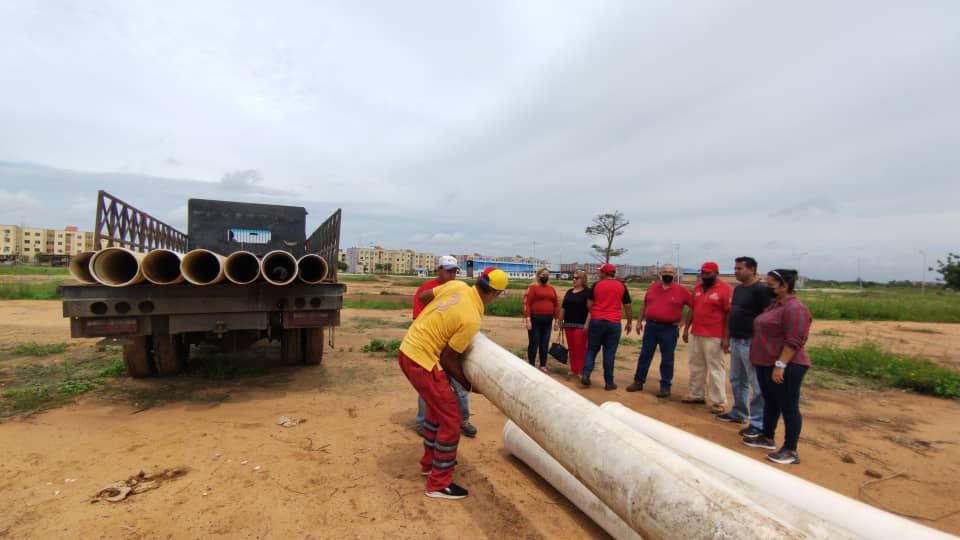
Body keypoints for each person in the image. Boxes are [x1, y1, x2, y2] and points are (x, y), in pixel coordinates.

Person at [399, 267, 509, 499]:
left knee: (436, 412)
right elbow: (448, 358)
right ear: (495, 294)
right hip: (422, 360)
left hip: (409, 348)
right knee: (452, 419)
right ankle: (438, 484)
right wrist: (470, 385)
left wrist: (439, 316)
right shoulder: (471, 319)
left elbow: (423, 297)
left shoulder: (457, 286)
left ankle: (429, 463)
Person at [742, 269, 812, 465]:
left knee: (788, 405)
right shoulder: (775, 306)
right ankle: (767, 437)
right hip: (766, 363)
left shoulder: (795, 309)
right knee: (771, 402)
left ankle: (790, 449)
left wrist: (781, 364)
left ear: (784, 286)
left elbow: (794, 340)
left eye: (770, 284)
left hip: (787, 365)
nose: (766, 287)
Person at [413, 255, 477, 438]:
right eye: (448, 271)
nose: (452, 275)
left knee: (460, 387)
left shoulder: (458, 290)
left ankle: (463, 420)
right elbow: (419, 321)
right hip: (430, 349)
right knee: (428, 388)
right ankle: (422, 423)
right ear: (438, 270)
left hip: (453, 348)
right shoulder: (426, 290)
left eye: (455, 271)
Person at [717, 257, 771, 440]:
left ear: (752, 269)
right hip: (737, 340)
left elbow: (768, 317)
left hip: (752, 342)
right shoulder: (739, 289)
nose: (736, 271)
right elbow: (732, 313)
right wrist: (727, 336)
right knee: (737, 379)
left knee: (756, 384)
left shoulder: (761, 290)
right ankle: (739, 412)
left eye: (739, 268)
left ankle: (758, 423)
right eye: (735, 268)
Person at [627, 264, 691, 398]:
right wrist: (639, 321)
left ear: (675, 274)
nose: (668, 273)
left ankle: (665, 386)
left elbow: (693, 306)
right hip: (651, 327)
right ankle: (638, 381)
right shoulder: (653, 287)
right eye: (665, 271)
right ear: (660, 273)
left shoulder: (682, 290)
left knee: (667, 359)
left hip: (669, 329)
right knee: (645, 355)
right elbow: (645, 304)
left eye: (670, 271)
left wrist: (683, 322)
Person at [682, 261, 732, 414]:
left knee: (716, 368)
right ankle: (696, 395)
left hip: (715, 335)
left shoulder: (725, 289)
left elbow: (729, 314)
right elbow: (692, 308)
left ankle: (719, 401)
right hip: (697, 332)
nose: (704, 275)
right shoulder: (697, 288)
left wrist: (726, 337)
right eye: (703, 272)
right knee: (696, 365)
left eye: (708, 273)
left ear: (716, 273)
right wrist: (686, 328)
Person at [581, 263, 633, 390]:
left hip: (597, 320)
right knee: (609, 353)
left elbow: (589, 303)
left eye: (600, 272)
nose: (599, 273)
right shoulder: (621, 286)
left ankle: (586, 375)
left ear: (604, 273)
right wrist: (629, 321)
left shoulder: (596, 285)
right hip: (613, 322)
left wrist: (595, 313)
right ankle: (609, 383)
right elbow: (627, 305)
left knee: (592, 349)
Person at [523, 267, 560, 373]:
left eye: (547, 274)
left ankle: (543, 364)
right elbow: (527, 304)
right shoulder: (533, 288)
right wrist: (528, 319)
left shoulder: (551, 288)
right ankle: (531, 364)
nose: (545, 276)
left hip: (548, 320)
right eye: (543, 274)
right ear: (538, 275)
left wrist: (557, 320)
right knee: (534, 342)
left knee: (544, 342)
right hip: (535, 319)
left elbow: (556, 305)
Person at [559, 270, 590, 377]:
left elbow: (591, 310)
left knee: (580, 348)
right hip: (568, 324)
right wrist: (560, 320)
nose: (574, 279)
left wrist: (587, 324)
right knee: (572, 348)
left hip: (581, 325)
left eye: (577, 278)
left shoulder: (587, 292)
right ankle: (573, 369)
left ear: (583, 279)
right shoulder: (569, 291)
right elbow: (563, 307)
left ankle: (581, 370)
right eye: (573, 277)